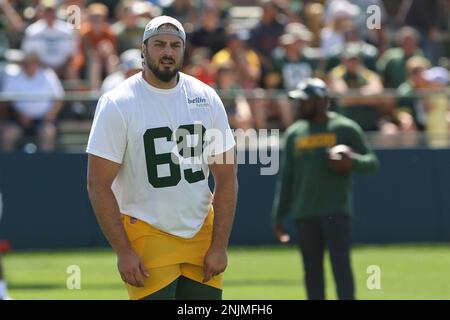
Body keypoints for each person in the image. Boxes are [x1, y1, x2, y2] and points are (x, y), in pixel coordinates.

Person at [86, 16, 237, 300]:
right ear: (143, 49)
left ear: (183, 50)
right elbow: (97, 184)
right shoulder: (118, 102)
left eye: (174, 45)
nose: (167, 52)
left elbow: (227, 179)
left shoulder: (206, 96)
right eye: (159, 45)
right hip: (147, 229)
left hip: (200, 229)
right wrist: (124, 251)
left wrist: (219, 245)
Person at [271, 77, 379, 300]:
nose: (299, 106)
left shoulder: (344, 128)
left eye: (305, 101)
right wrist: (279, 216)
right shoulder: (294, 133)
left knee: (341, 267)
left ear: (321, 101)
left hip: (336, 210)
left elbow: (372, 163)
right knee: (312, 272)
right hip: (304, 212)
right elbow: (287, 178)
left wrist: (353, 161)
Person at [1, 50, 64, 152]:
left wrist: (49, 115)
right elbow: (6, 101)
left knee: (48, 133)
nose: (31, 65)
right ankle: (8, 166)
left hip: (43, 120)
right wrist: (19, 114)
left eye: (33, 62)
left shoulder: (48, 75)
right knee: (8, 134)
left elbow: (58, 98)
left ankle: (46, 166)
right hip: (18, 120)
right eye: (28, 62)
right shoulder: (13, 76)